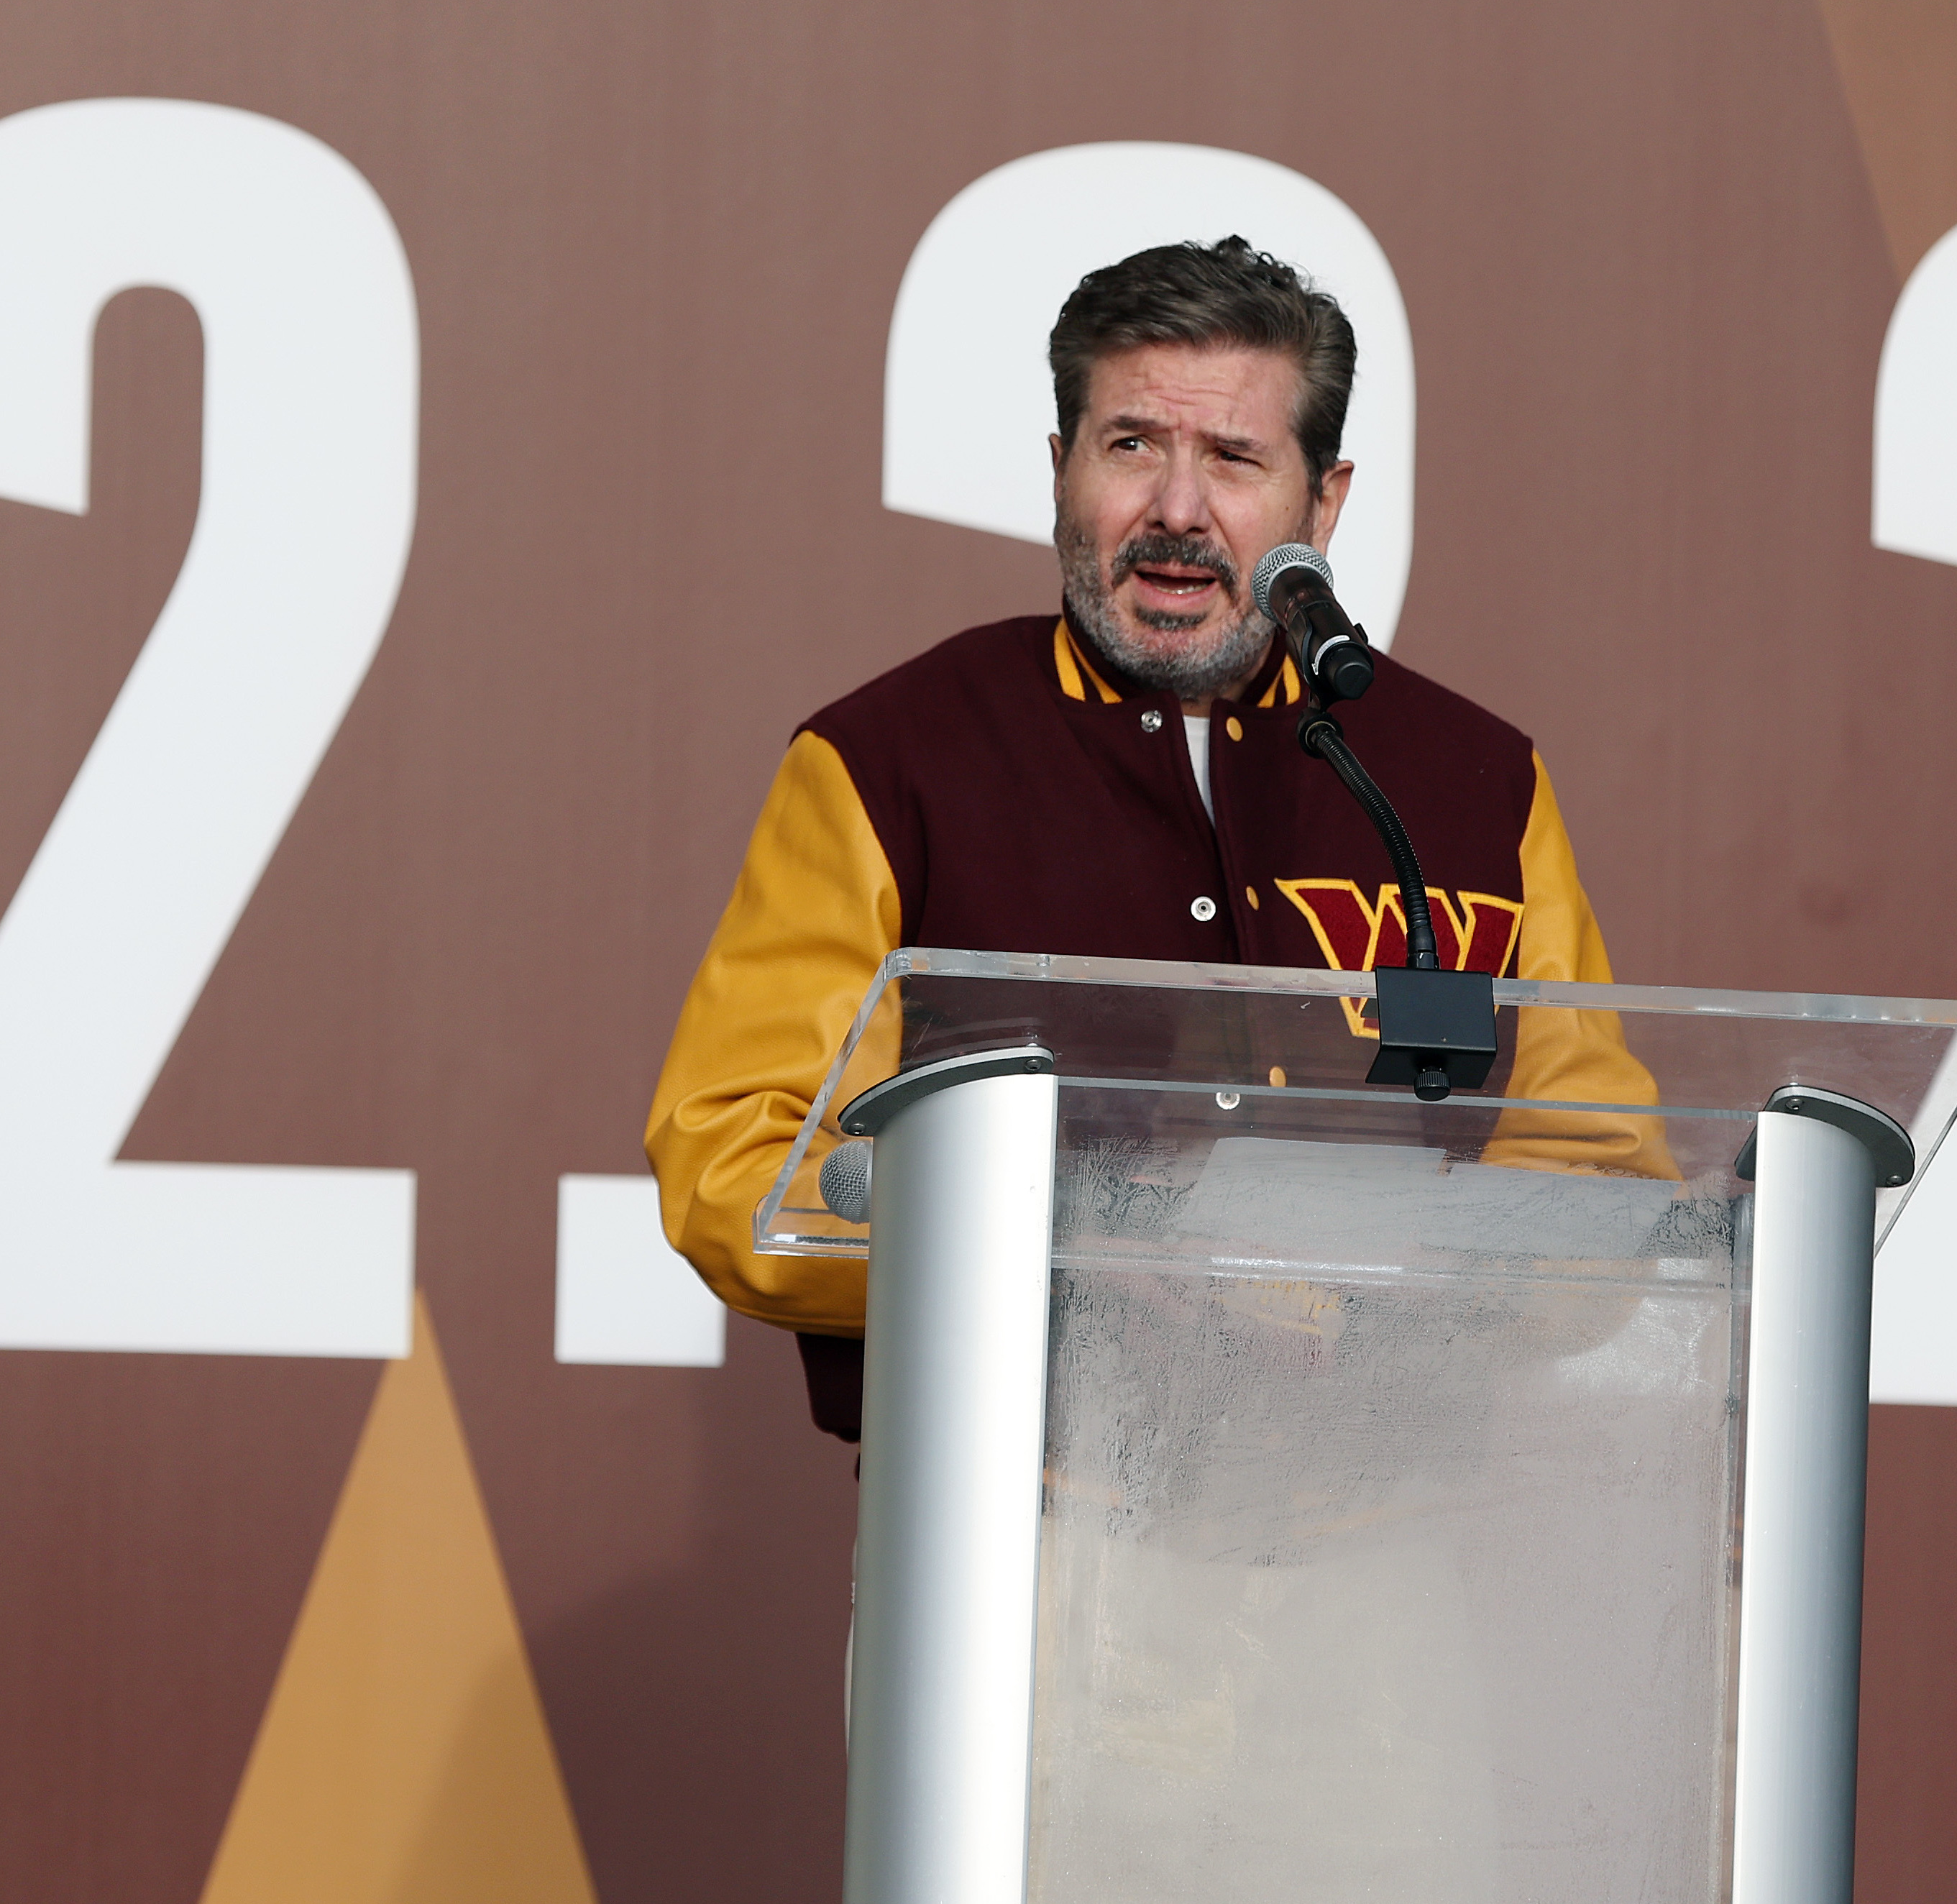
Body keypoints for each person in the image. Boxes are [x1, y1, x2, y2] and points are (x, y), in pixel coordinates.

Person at [646, 236, 1654, 1440]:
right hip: (1014, 1524)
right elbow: (735, 1162)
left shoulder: (1469, 778)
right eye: (1132, 447)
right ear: (1062, 468)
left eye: (1234, 458)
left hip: (1400, 1536)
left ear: (1320, 502)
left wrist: (1374, 1303)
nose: (1177, 511)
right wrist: (1066, 1263)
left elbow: (1598, 1167)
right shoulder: (890, 758)